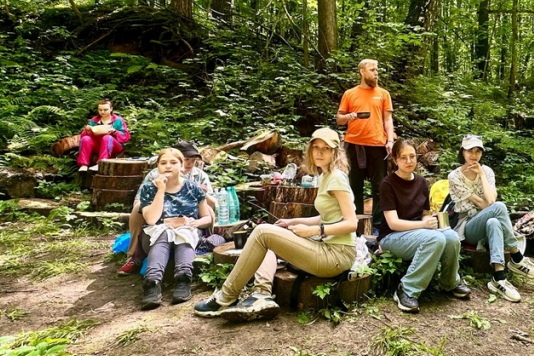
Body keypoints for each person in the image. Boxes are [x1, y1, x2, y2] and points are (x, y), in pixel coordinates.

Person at [194, 127, 359, 321]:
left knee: (263, 232)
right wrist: (293, 222)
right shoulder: (324, 176)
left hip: (336, 255)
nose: (320, 152)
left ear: (335, 153)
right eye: (316, 147)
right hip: (327, 247)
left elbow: (351, 223)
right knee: (269, 239)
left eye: (326, 148)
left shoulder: (337, 178)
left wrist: (313, 231)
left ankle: (225, 297)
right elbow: (328, 217)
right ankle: (261, 295)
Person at [447, 135, 534, 303]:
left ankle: (498, 278)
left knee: (493, 220)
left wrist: (482, 175)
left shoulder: (488, 171)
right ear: (462, 152)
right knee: (499, 208)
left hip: (487, 220)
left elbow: (490, 200)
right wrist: (490, 205)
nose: (474, 155)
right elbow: (486, 204)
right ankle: (516, 256)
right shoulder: (454, 176)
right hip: (467, 226)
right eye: (470, 150)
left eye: (478, 151)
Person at [380, 139, 470, 313]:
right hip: (391, 237)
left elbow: (425, 215)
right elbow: (393, 222)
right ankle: (406, 289)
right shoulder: (388, 184)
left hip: (417, 234)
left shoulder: (421, 182)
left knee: (451, 236)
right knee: (434, 238)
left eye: (412, 156)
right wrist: (423, 224)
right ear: (395, 160)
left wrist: (431, 221)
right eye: (403, 157)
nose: (408, 161)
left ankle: (450, 282)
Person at [118, 140, 217, 276]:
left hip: (189, 215)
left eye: (193, 160)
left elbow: (212, 204)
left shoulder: (199, 175)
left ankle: (206, 245)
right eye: (186, 159)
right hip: (159, 213)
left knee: (210, 212)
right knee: (137, 209)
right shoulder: (155, 174)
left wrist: (202, 193)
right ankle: (134, 255)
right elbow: (139, 200)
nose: (189, 163)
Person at [137, 147, 214, 309]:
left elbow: (207, 217)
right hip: (155, 234)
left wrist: (195, 223)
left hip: (187, 232)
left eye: (173, 162)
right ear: (157, 166)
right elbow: (151, 219)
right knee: (164, 233)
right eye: (163, 163)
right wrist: (161, 190)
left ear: (181, 165)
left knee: (184, 232)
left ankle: (183, 279)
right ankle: (152, 283)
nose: (168, 166)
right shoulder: (149, 188)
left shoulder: (193, 188)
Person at [336, 59, 395, 230]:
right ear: (362, 71)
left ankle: (377, 224)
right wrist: (349, 117)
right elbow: (339, 119)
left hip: (377, 145)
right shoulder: (350, 94)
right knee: (355, 186)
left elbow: (388, 119)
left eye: (377, 69)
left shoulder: (383, 94)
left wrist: (390, 140)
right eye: (372, 69)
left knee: (379, 187)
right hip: (354, 145)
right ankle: (355, 222)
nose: (376, 73)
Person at [78, 98, 131, 171]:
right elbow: (83, 137)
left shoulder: (118, 120)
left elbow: (125, 136)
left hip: (114, 145)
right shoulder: (94, 120)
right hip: (98, 145)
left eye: (105, 110)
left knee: (107, 137)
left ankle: (101, 163)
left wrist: (115, 132)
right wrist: (87, 130)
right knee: (85, 139)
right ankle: (83, 165)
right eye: (100, 110)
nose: (102, 112)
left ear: (111, 109)